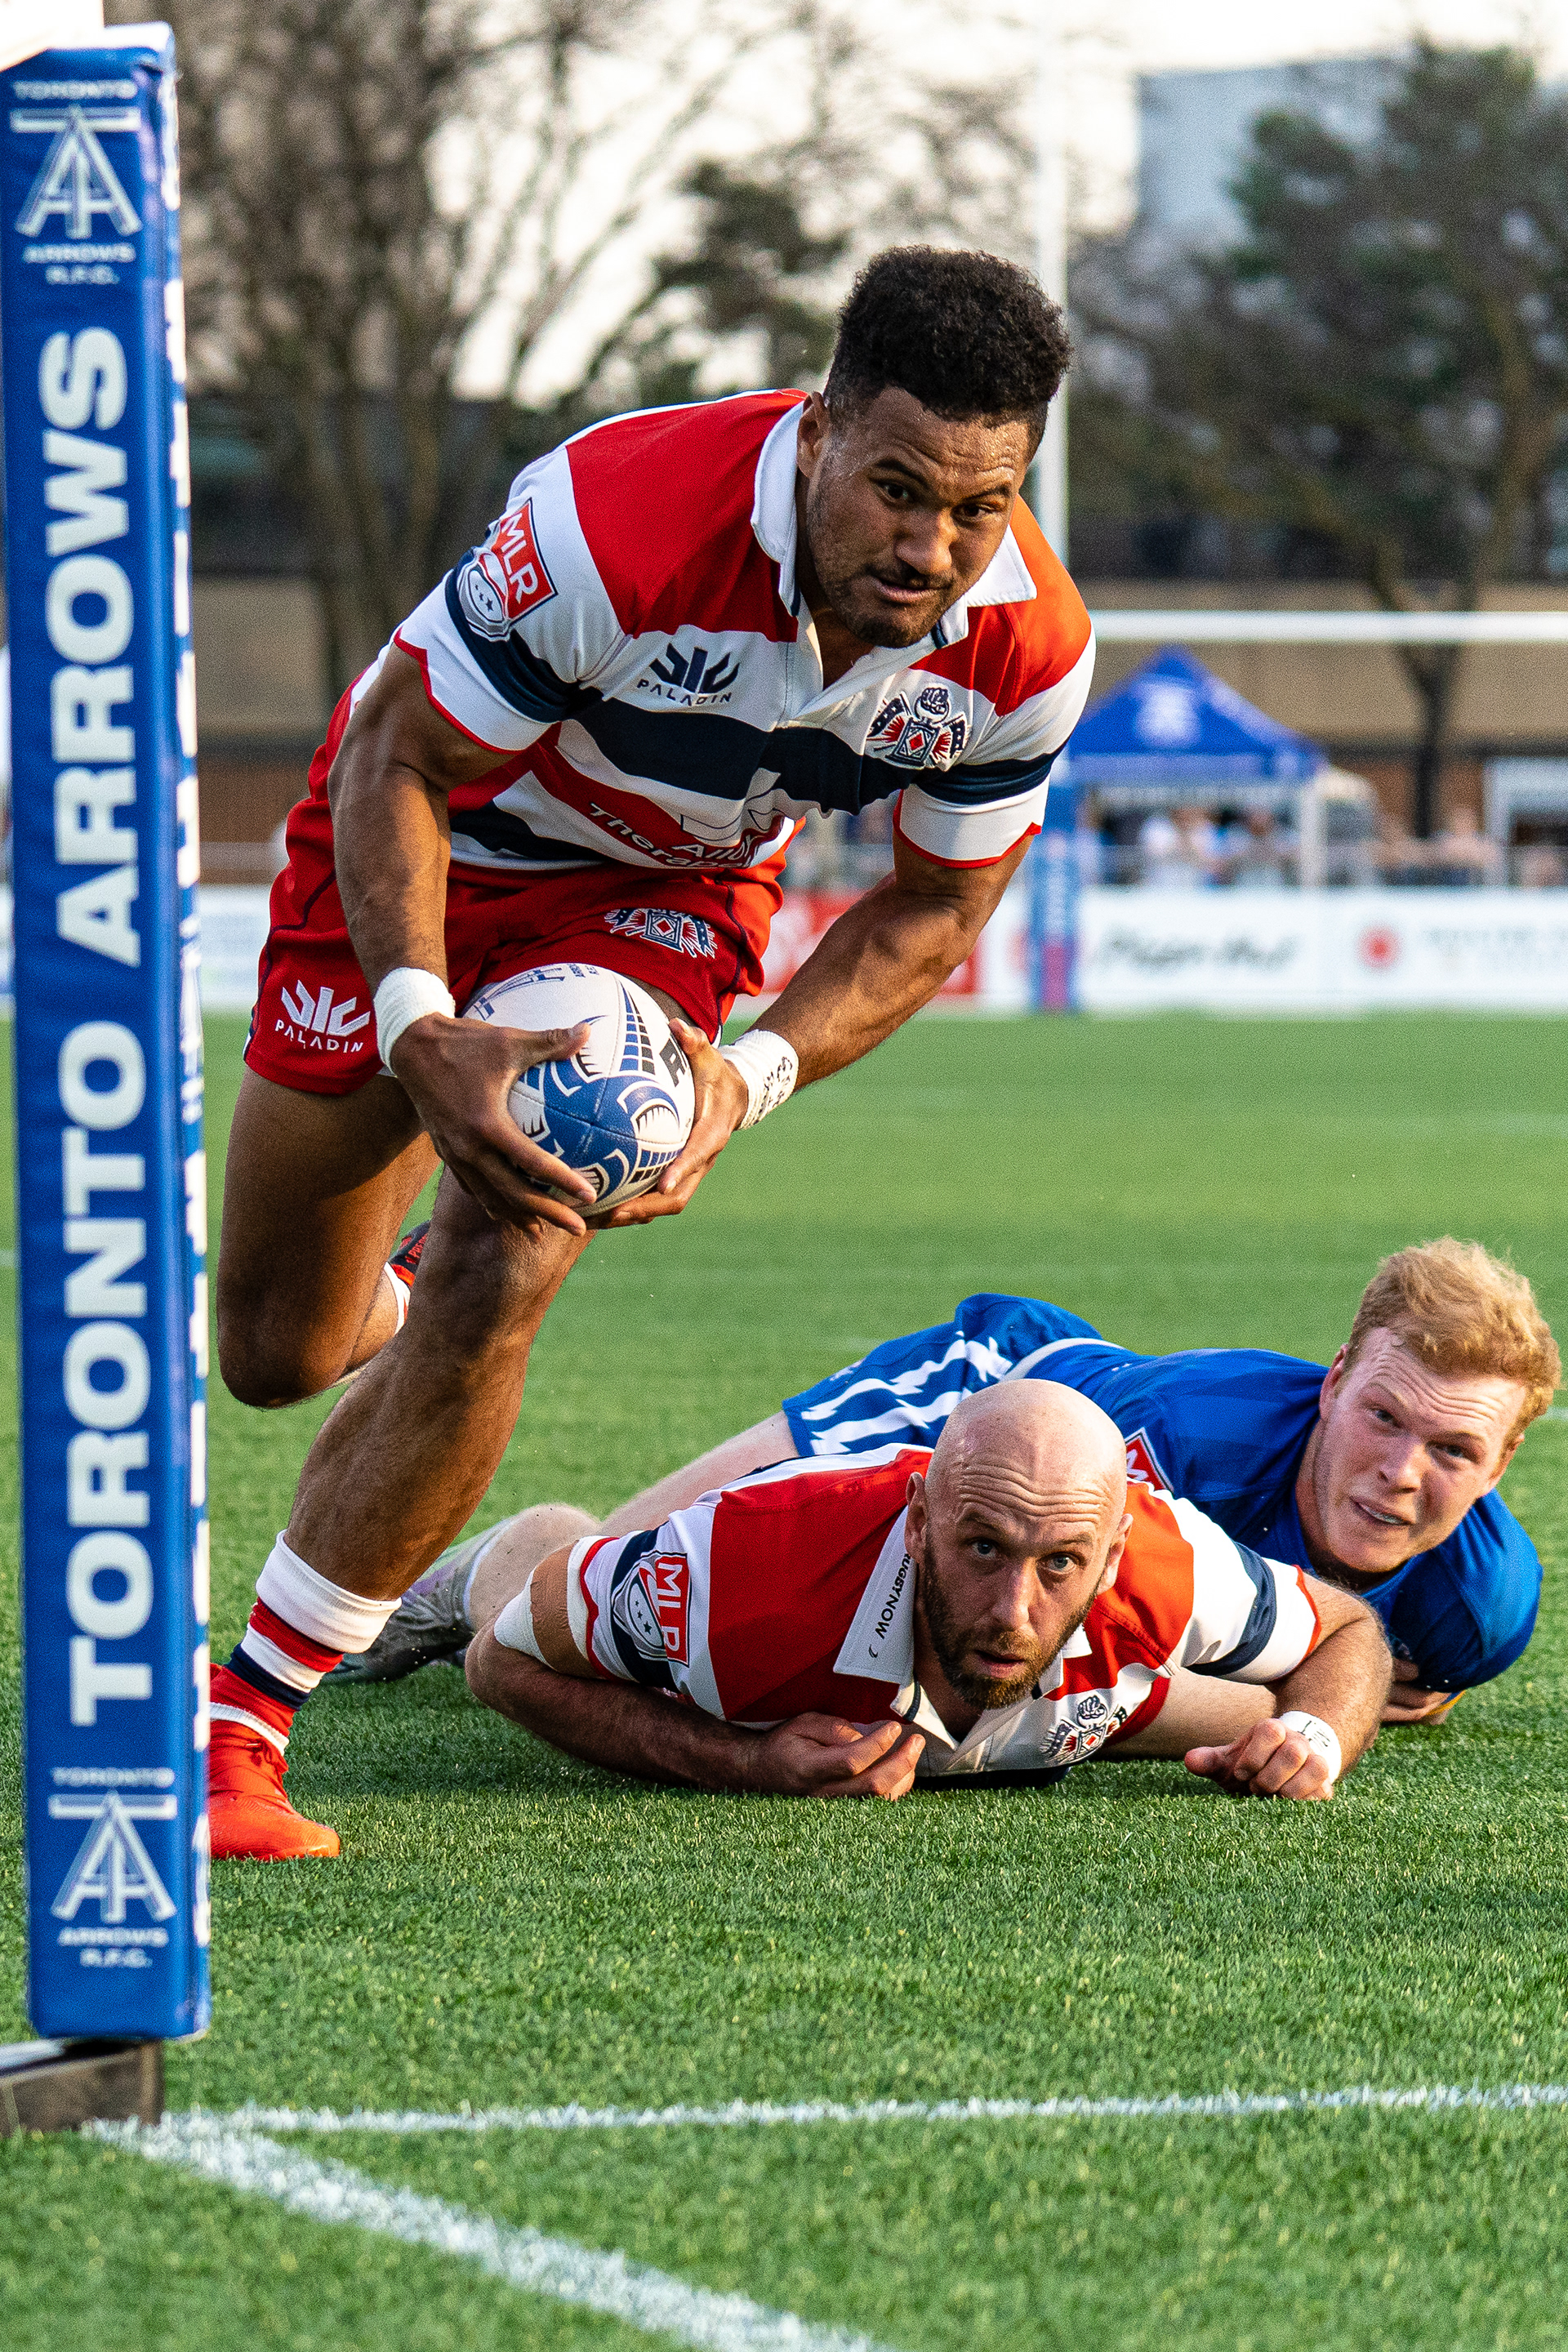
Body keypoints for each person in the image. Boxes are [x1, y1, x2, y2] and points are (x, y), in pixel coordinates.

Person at [208, 246, 1098, 1860]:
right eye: (898, 490)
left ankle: (240, 1737)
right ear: (818, 433)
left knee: (517, 1246)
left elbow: (931, 909)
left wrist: (745, 1077)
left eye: (980, 507)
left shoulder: (1027, 649)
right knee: (277, 1347)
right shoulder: (613, 520)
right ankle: (397, 1292)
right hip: (422, 842)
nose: (932, 547)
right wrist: (419, 1028)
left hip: (660, 899)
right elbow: (397, 757)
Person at [356, 1238, 1555, 1729]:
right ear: (1333, 1382)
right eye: (1383, 1416)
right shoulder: (1188, 1444)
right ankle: (480, 1576)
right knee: (618, 1587)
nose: (1400, 1475)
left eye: (1453, 1452)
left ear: (1502, 1466)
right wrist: (1302, 1699)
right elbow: (1050, 1633)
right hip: (975, 1403)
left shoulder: (1480, 1606)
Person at [462, 1383, 1391, 1799]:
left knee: (1273, 1713)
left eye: (1059, 1564)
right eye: (982, 1548)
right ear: (917, 1523)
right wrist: (739, 1763)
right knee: (534, 1572)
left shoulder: (1168, 1568)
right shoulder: (737, 1577)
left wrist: (1314, 1741)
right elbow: (499, 1663)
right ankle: (479, 1559)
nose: (1013, 1611)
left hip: (1079, 1702)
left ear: (1111, 1558)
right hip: (767, 1604)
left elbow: (1348, 1633)